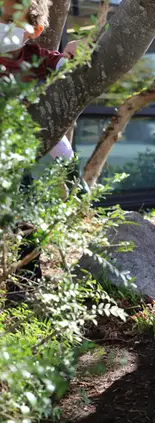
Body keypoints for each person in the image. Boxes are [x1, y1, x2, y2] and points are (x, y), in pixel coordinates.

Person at [1, 0, 78, 289]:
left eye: (9, 23)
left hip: (23, 139)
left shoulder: (33, 54)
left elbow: (62, 62)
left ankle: (26, 277)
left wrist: (73, 51)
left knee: (61, 152)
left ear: (34, 31)